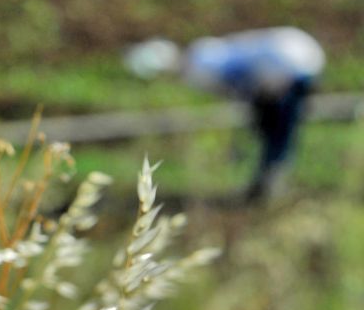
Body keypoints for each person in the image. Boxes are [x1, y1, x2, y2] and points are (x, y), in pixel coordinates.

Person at [125, 27, 325, 201]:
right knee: (274, 130)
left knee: (277, 131)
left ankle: (271, 180)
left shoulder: (200, 70)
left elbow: (241, 83)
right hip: (299, 54)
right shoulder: (202, 52)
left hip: (288, 67)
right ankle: (269, 178)